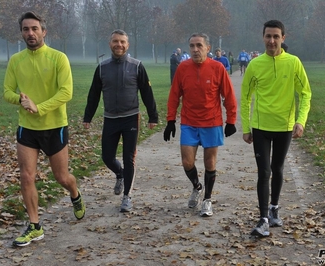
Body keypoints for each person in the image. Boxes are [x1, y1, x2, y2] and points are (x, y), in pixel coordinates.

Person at [3, 11, 85, 247]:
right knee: (26, 175)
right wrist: (20, 100)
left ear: (44, 31)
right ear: (21, 33)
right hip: (26, 128)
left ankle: (75, 194)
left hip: (54, 126)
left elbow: (66, 92)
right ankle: (35, 226)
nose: (30, 33)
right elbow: (7, 90)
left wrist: (39, 107)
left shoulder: (58, 58)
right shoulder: (16, 60)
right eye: (26, 29)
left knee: (62, 177)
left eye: (34, 28)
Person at [241, 20, 311, 237]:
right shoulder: (254, 65)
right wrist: (246, 127)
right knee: (264, 171)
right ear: (263, 37)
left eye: (276, 36)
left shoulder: (293, 63)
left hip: (284, 127)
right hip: (261, 127)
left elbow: (305, 93)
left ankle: (274, 208)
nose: (272, 41)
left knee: (278, 168)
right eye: (268, 36)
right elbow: (245, 98)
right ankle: (262, 220)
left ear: (283, 38)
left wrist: (300, 121)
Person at [83, 29, 158, 212]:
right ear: (110, 44)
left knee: (128, 158)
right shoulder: (102, 68)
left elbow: (147, 93)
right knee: (107, 157)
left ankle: (127, 196)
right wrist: (88, 117)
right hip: (110, 119)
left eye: (123, 42)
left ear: (128, 45)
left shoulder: (137, 66)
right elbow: (93, 94)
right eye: (116, 41)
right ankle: (120, 174)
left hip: (131, 118)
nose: (119, 45)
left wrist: (153, 116)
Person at [163, 33, 237, 217]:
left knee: (209, 162)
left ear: (208, 48)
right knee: (187, 162)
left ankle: (207, 200)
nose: (195, 50)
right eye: (192, 46)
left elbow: (229, 96)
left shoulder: (218, 68)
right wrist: (171, 120)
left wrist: (231, 121)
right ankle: (197, 186)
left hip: (211, 123)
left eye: (199, 46)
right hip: (189, 122)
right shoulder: (183, 68)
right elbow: (174, 96)